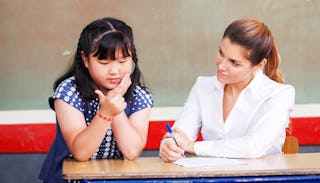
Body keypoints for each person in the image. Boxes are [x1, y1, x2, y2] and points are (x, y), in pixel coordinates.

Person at [159, 18, 295, 162]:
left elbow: (254, 147)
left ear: (258, 65)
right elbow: (181, 133)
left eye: (234, 63)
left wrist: (194, 147)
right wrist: (169, 145)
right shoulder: (203, 86)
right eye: (221, 53)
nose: (221, 66)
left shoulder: (279, 94)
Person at [39, 17, 154, 183]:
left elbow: (131, 151)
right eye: (103, 62)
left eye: (123, 61)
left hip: (113, 180)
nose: (114, 71)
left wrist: (116, 104)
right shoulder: (68, 92)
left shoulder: (139, 96)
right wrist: (105, 113)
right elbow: (81, 152)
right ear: (85, 59)